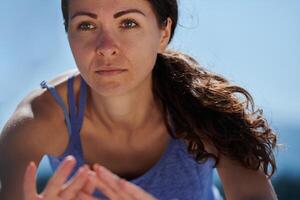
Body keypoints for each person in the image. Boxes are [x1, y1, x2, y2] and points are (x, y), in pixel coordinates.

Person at [0, 0, 278, 199]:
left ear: (163, 33)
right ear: (68, 33)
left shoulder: (205, 112)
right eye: (86, 25)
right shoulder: (37, 121)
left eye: (128, 23)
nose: (106, 48)